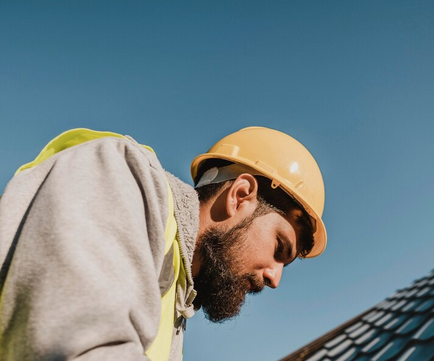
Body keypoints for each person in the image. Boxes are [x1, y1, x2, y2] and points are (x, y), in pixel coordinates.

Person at [0, 126, 327, 361]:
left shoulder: (176, 307)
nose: (274, 278)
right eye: (279, 248)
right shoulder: (119, 173)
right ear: (240, 196)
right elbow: (74, 347)